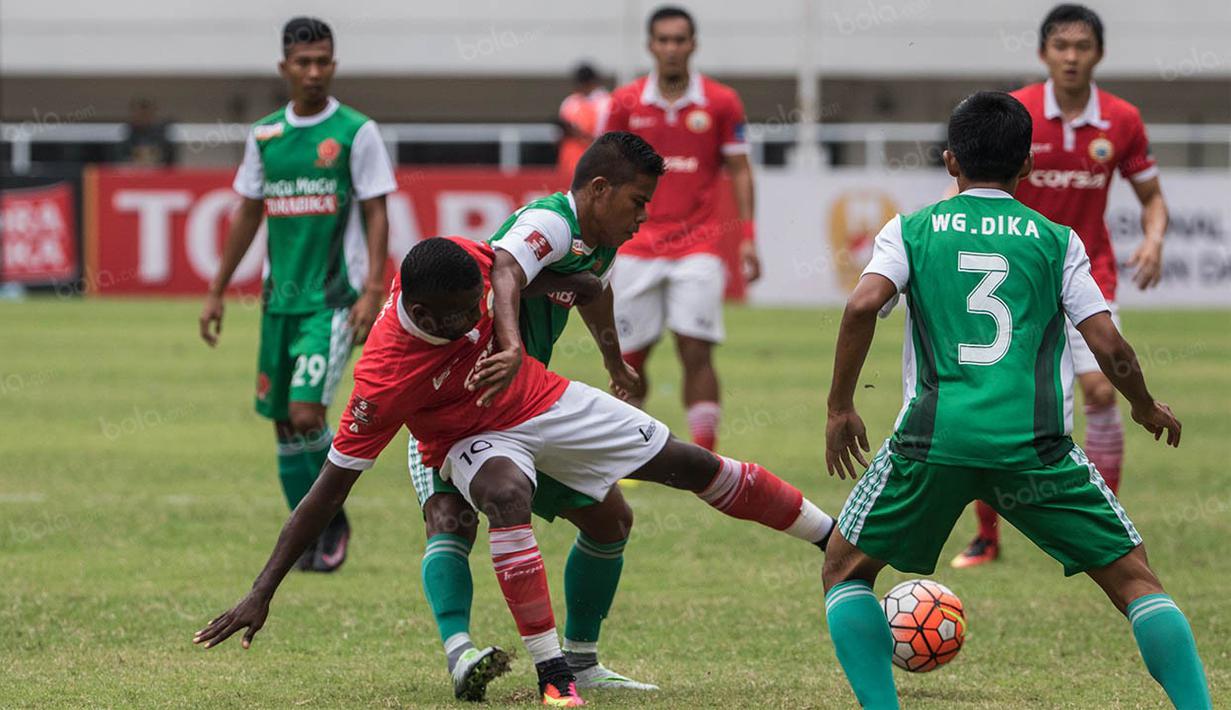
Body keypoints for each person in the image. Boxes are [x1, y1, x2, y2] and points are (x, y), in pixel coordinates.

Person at [194, 236, 836, 708]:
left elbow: (509, 267)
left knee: (687, 464)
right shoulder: (383, 378)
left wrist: (561, 301)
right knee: (502, 497)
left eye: (471, 306)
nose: (466, 320)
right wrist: (262, 589)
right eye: (451, 316)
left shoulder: (467, 267)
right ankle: (551, 673)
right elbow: (326, 492)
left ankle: (832, 537)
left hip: (541, 398)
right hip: (469, 439)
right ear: (415, 306)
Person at [820, 91, 1209, 710]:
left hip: (932, 443)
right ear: (1027, 165)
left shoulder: (912, 229)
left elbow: (863, 303)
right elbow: (1110, 346)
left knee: (845, 570)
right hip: (1035, 450)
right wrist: (1143, 403)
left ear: (951, 161)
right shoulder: (1057, 240)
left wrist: (841, 407)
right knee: (1136, 581)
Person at [407, 131, 661, 699]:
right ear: (599, 190)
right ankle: (460, 654)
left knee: (610, 520)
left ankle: (583, 661)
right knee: (450, 518)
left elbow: (594, 294)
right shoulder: (548, 223)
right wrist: (513, 343)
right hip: (456, 394)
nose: (643, 216)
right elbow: (501, 267)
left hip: (524, 406)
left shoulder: (600, 240)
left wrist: (614, 361)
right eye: (638, 201)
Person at [952, 3, 1170, 569]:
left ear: (1098, 53)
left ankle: (1100, 524)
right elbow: (969, 188)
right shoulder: (1016, 111)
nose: (1072, 56)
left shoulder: (1122, 120)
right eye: (1061, 46)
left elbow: (1152, 199)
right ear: (1044, 52)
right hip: (1013, 276)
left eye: (1082, 46)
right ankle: (986, 536)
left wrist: (1153, 239)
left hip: (1086, 271)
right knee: (991, 403)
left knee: (1100, 392)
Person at [198, 16, 395, 572]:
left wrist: (372, 288)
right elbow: (247, 213)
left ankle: (331, 523)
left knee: (308, 413)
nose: (314, 72)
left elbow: (377, 210)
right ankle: (306, 536)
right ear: (284, 67)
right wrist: (216, 291)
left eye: (323, 61)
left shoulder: (358, 131)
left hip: (332, 299)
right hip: (277, 301)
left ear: (334, 63)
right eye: (304, 63)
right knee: (282, 421)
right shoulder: (265, 135)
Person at [602, 5, 760, 450]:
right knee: (629, 358)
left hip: (699, 246)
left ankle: (704, 456)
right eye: (663, 40)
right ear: (650, 46)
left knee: (696, 349)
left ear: (693, 45)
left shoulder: (721, 101)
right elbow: (602, 174)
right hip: (636, 247)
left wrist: (748, 238)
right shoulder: (625, 103)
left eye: (680, 40)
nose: (672, 48)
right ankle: (630, 454)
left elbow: (741, 170)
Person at [556, 63, 610, 178]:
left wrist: (579, 134)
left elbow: (605, 138)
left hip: (593, 165)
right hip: (568, 164)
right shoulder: (570, 102)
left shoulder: (605, 103)